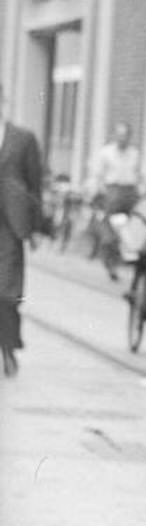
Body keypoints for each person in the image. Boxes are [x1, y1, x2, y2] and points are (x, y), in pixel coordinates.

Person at [0, 85, 45, 378]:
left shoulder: (23, 138)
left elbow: (35, 183)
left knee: (7, 291)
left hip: (10, 225)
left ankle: (8, 347)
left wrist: (37, 227)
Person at [87, 121, 145, 278]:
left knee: (136, 226)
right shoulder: (106, 153)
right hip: (112, 192)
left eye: (125, 135)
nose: (122, 139)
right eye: (119, 135)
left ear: (130, 137)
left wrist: (143, 192)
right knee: (109, 233)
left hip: (130, 192)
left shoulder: (135, 154)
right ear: (114, 136)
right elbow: (98, 175)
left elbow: (139, 175)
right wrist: (95, 194)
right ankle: (110, 264)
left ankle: (134, 259)